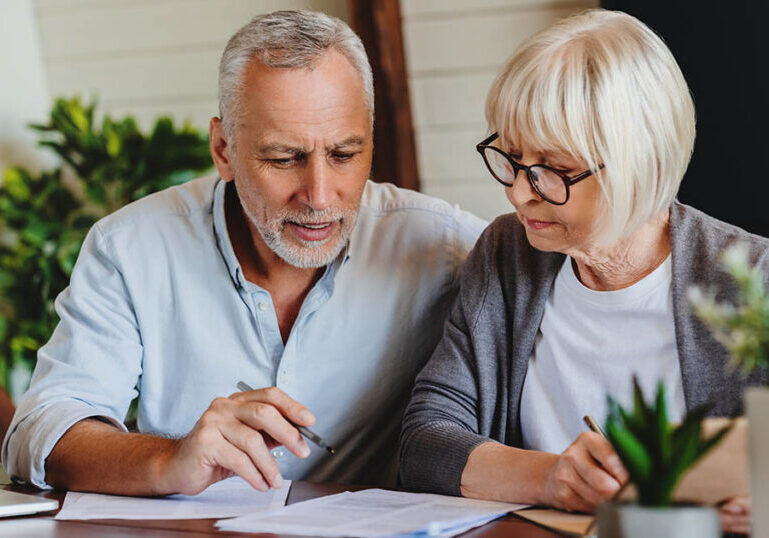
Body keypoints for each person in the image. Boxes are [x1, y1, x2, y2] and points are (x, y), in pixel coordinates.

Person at [2, 10, 486, 495]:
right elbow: (39, 430)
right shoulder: (130, 249)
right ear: (223, 150)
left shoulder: (443, 246)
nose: (319, 196)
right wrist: (169, 460)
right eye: (283, 158)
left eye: (344, 155)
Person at [399, 9, 763, 535]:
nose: (520, 192)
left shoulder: (752, 278)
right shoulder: (507, 253)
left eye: (554, 170)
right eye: (513, 157)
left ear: (643, 164)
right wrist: (550, 478)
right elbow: (425, 443)